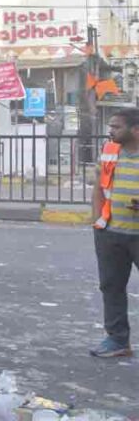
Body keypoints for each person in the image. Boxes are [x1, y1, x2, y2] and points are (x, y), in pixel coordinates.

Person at [90, 108, 139, 358]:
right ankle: (118, 340)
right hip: (111, 232)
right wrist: (97, 221)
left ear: (135, 129)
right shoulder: (110, 151)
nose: (110, 131)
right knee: (111, 286)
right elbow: (99, 184)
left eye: (116, 127)